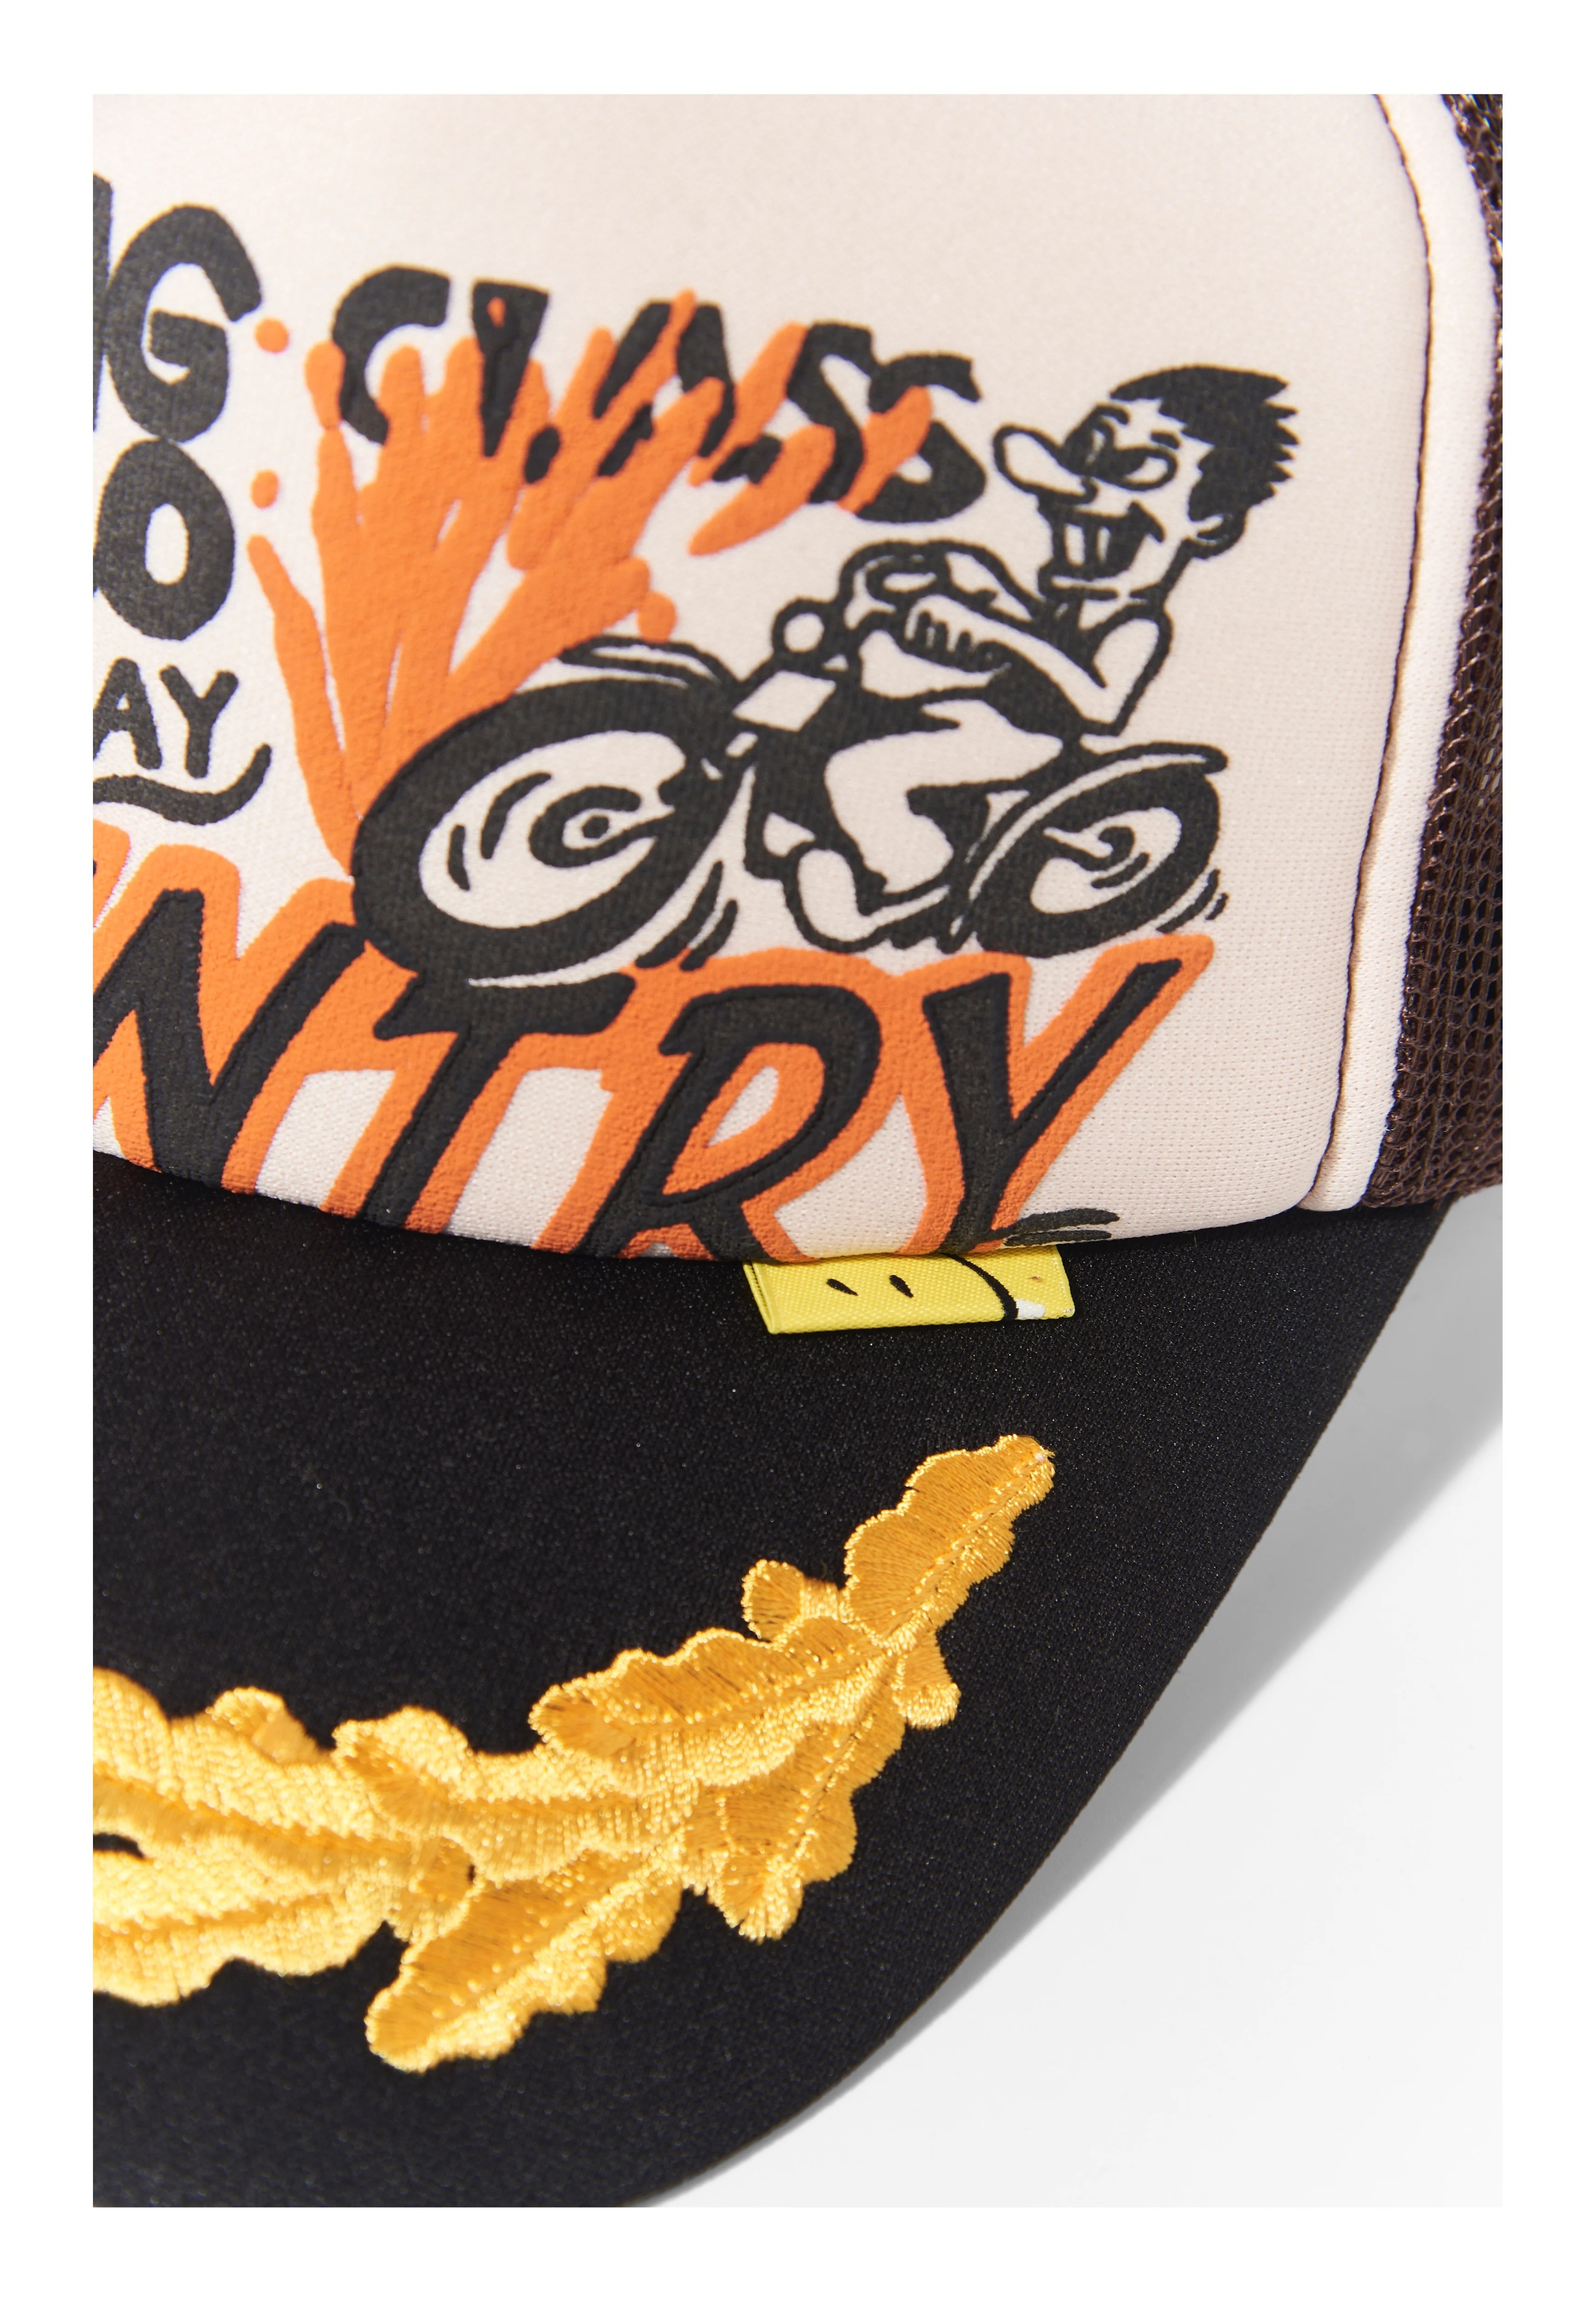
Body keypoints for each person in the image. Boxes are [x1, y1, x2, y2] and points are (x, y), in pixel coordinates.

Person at [746, 366, 1295, 951]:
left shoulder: (1137, 622)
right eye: (1085, 452)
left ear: (1209, 524)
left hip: (1029, 737)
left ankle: (908, 883)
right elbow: (1026, 622)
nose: (1079, 486)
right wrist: (969, 582)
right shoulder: (1072, 598)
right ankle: (793, 828)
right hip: (980, 710)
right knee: (850, 695)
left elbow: (1100, 706)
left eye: (1139, 467)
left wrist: (996, 630)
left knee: (864, 772)